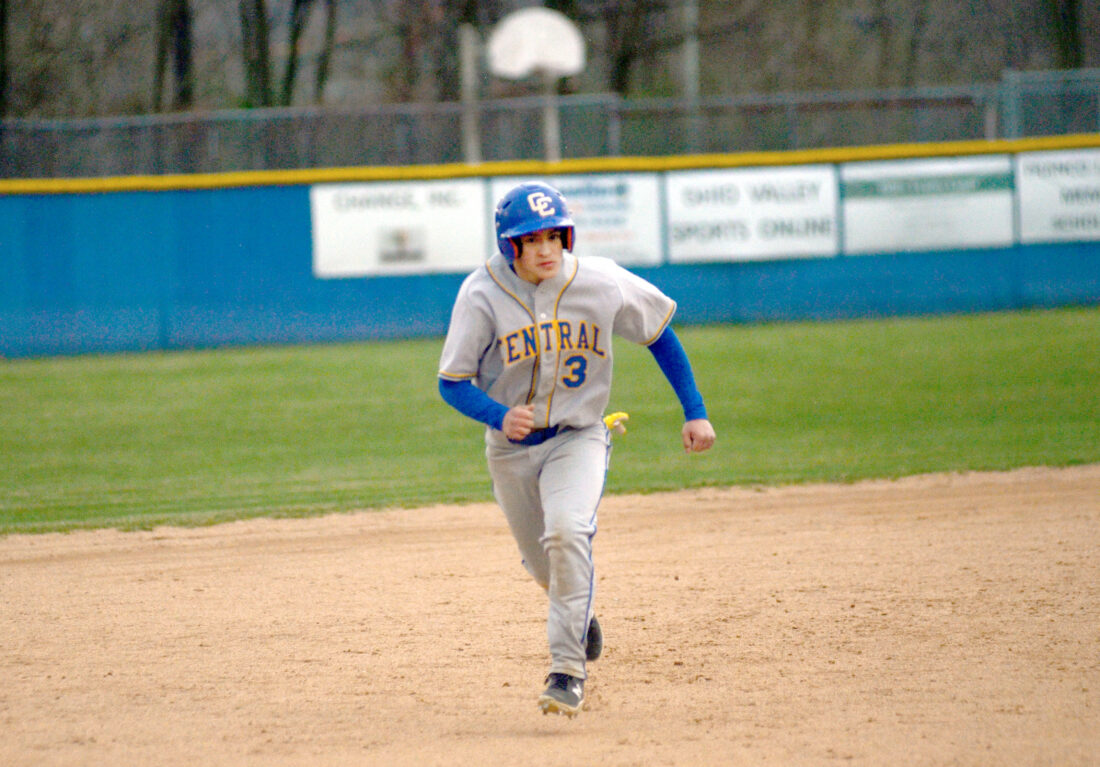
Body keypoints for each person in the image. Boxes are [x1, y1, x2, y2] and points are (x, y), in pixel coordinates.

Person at [437, 180, 715, 717]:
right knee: (546, 567)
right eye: (531, 239)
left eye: (554, 236)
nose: (545, 249)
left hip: (579, 436)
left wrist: (694, 409)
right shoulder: (481, 294)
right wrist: (497, 414)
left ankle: (566, 671)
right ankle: (579, 613)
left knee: (567, 533)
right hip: (511, 450)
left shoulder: (600, 280)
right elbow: (452, 382)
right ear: (508, 244)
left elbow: (659, 332)